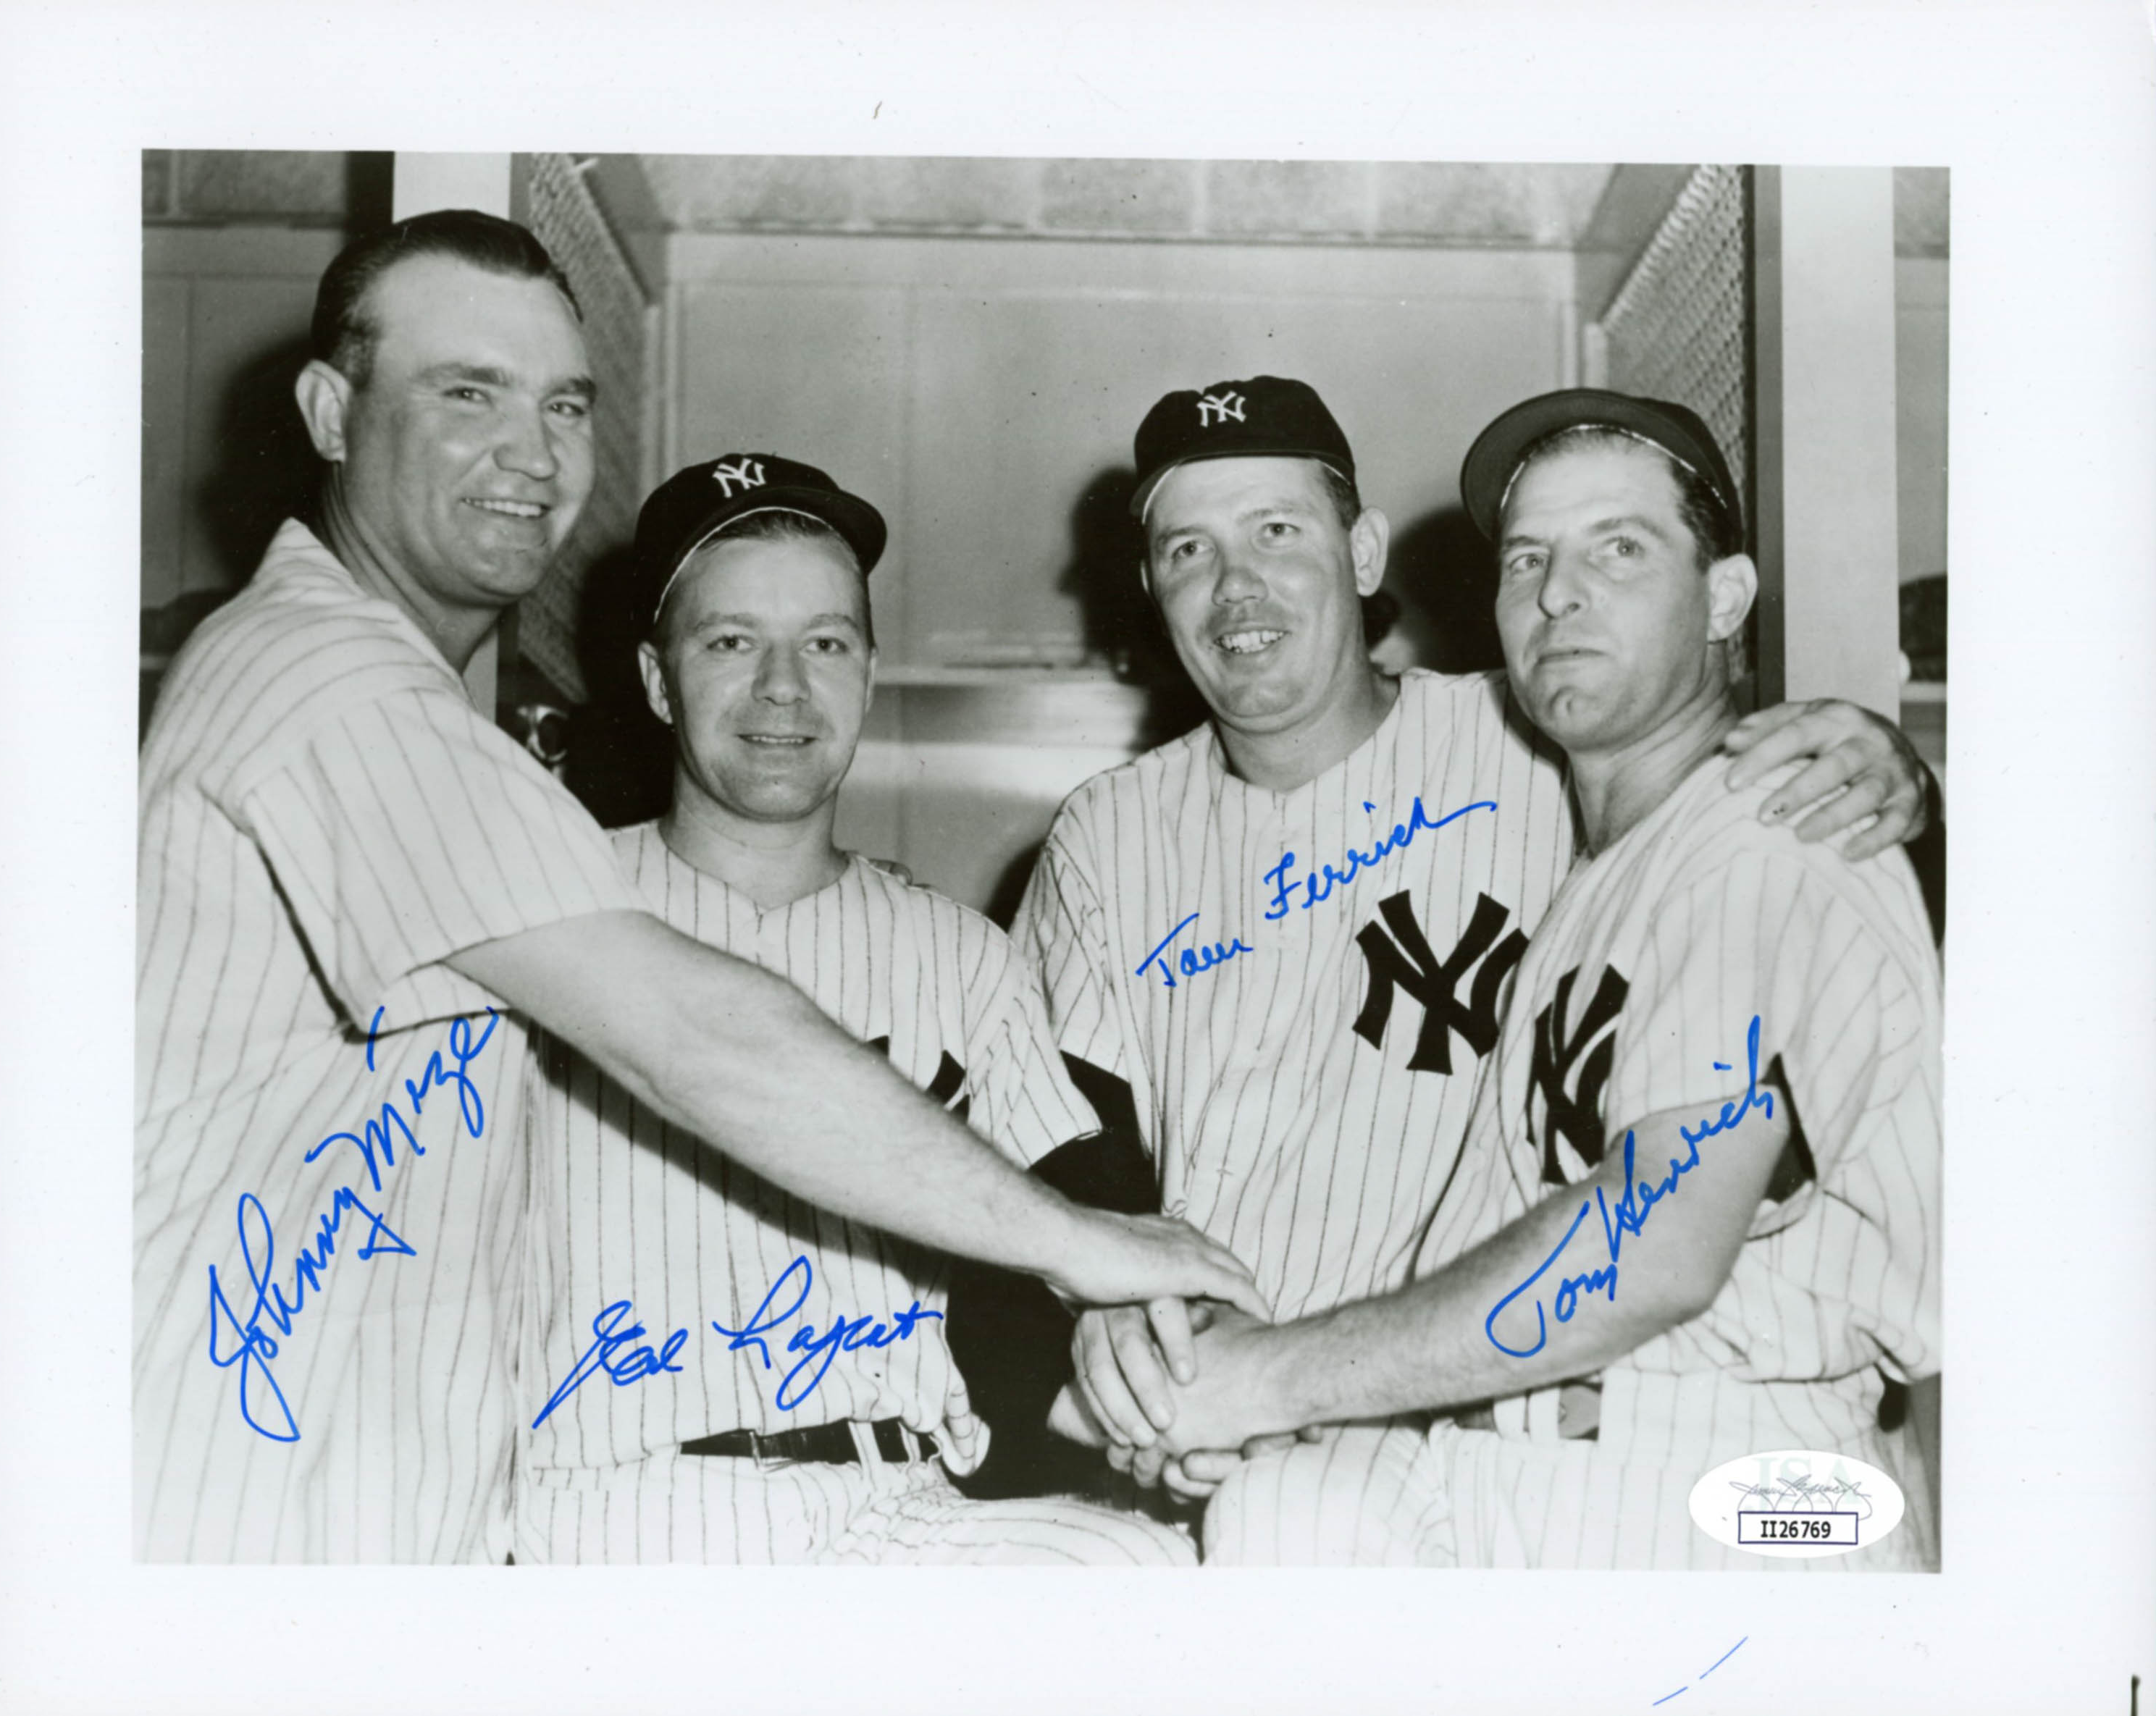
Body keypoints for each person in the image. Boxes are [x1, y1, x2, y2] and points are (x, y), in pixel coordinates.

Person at [132, 212, 1259, 1564]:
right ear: (330, 412)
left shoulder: (435, 741)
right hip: (251, 1507)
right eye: (466, 392)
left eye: (563, 404)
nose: (530, 451)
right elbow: (700, 1035)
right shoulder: (328, 682)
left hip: (411, 1512)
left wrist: (1137, 1349)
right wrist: (1086, 1244)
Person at [1010, 374, 1934, 1555]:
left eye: (1278, 530)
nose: (1237, 584)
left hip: (1691, 1450)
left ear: (1362, 552)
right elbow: (1066, 1159)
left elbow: (1655, 1238)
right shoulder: (1601, 843)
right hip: (1409, 1439)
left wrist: (1902, 779)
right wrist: (1156, 1369)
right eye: (1189, 547)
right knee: (1292, 1524)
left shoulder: (1563, 757)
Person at [515, 453, 1193, 1564]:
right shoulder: (540, 909)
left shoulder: (962, 957)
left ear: (869, 676)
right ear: (655, 679)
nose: (784, 687)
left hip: (891, 1507)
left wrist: (1138, 1354)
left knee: (1144, 1570)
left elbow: (1075, 1235)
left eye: (825, 643)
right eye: (730, 642)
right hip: (603, 1503)